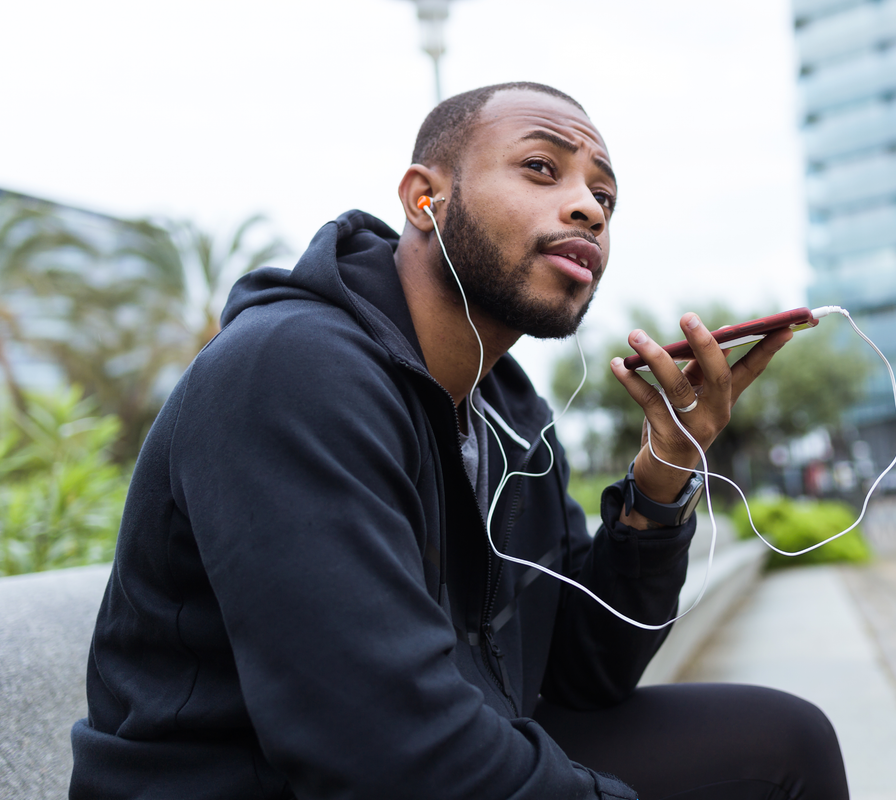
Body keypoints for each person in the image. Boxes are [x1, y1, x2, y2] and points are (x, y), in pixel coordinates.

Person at [70, 82, 849, 800]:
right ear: (425, 199)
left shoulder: (511, 412)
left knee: (786, 745)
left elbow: (584, 675)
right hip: (264, 782)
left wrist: (664, 471)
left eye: (605, 194)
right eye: (543, 168)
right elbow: (381, 744)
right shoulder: (289, 371)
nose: (589, 208)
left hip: (434, 750)